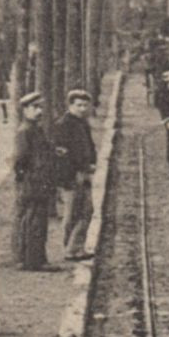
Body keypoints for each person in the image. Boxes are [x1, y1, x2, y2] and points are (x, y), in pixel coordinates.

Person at [11, 92, 56, 271]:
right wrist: (25, 177)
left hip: (39, 181)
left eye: (41, 107)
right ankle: (32, 261)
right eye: (35, 107)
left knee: (37, 220)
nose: (39, 111)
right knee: (33, 221)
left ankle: (34, 259)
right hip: (33, 182)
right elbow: (20, 158)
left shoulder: (36, 129)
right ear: (25, 109)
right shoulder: (25, 131)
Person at [53, 88, 97, 261]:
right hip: (71, 177)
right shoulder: (63, 125)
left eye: (86, 105)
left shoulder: (82, 123)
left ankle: (75, 247)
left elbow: (88, 146)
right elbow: (62, 156)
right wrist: (72, 175)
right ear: (70, 105)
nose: (83, 109)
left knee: (86, 211)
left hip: (84, 173)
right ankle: (71, 249)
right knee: (73, 214)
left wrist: (91, 164)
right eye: (79, 105)